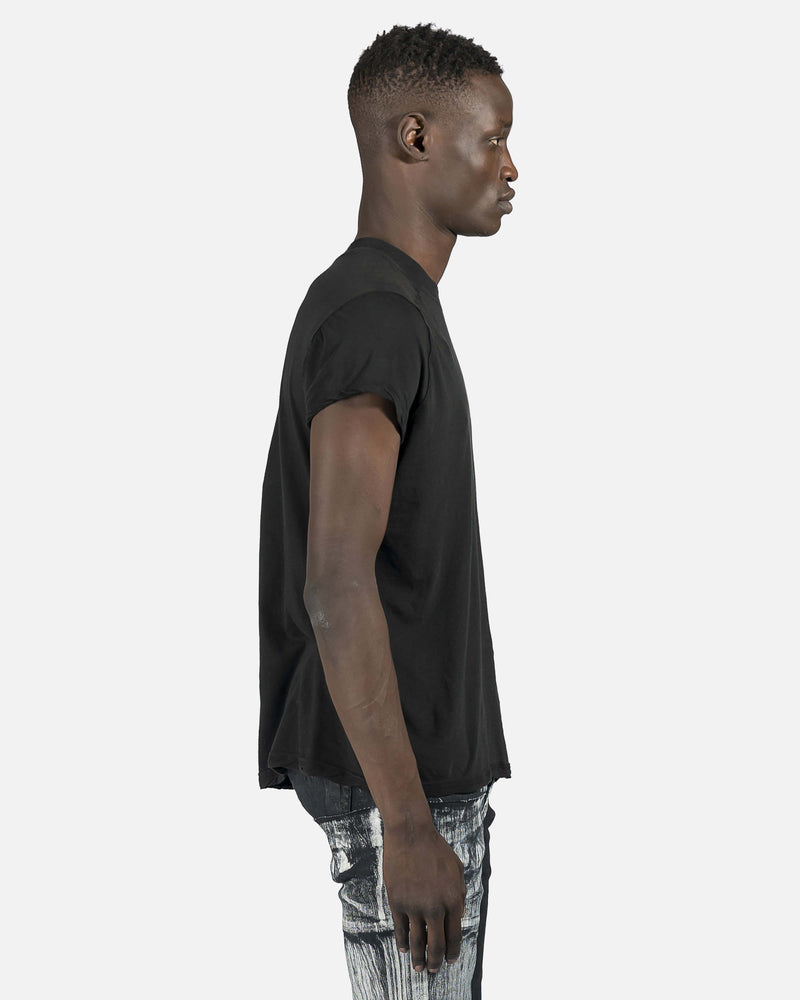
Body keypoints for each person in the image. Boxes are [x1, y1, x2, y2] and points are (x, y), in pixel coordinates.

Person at [258, 22, 517, 1000]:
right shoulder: (375, 315)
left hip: (414, 778)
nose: (509, 167)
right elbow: (334, 583)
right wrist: (406, 825)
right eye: (491, 138)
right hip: (401, 791)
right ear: (415, 137)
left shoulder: (389, 303)